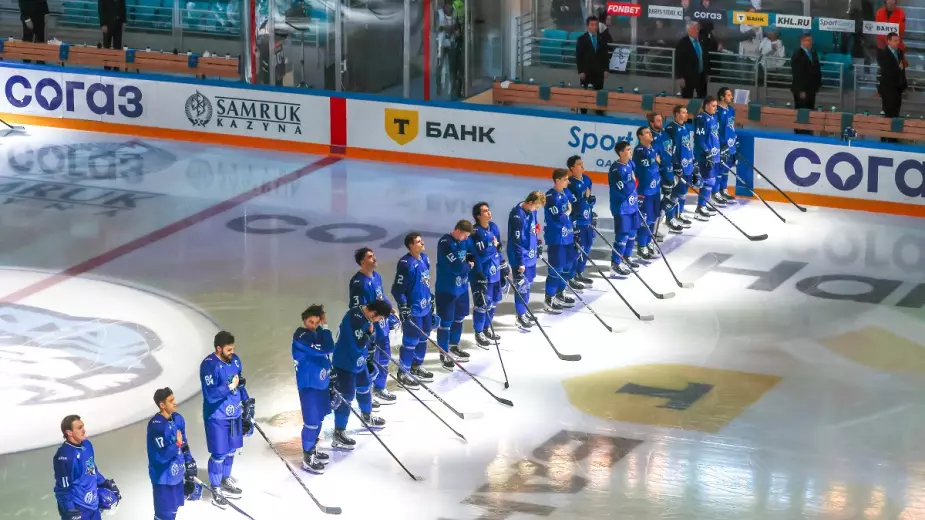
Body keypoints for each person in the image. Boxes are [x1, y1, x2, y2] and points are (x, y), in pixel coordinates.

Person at [200, 330, 252, 507]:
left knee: (231, 451)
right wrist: (230, 385)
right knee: (219, 454)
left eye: (233, 349)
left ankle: (225, 479)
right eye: (229, 350)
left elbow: (240, 384)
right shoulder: (209, 366)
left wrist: (247, 403)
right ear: (218, 348)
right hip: (217, 416)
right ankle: (215, 488)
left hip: (234, 414)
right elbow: (211, 395)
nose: (232, 353)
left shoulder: (235, 360)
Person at [331, 300, 392, 449]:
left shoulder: (366, 317)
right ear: (373, 313)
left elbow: (367, 340)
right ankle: (339, 432)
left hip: (359, 361)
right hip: (345, 363)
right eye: (380, 318)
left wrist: (369, 353)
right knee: (346, 397)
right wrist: (369, 335)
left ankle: (367, 416)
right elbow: (357, 343)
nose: (379, 321)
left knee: (365, 385)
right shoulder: (353, 318)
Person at [349, 247, 400, 406]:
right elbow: (357, 307)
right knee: (370, 361)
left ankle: (380, 388)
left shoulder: (377, 276)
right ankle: (367, 393)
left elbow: (381, 296)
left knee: (384, 359)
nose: (375, 259)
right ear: (362, 261)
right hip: (370, 329)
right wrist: (367, 325)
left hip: (382, 326)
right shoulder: (358, 283)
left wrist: (390, 307)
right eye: (371, 257)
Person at [292, 304, 335, 473]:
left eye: (317, 322)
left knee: (319, 418)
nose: (313, 325)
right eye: (310, 322)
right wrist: (324, 331)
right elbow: (328, 347)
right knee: (311, 422)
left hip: (321, 383)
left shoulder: (318, 333)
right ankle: (307, 456)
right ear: (304, 320)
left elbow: (327, 351)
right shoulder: (300, 335)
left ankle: (313, 448)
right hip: (309, 385)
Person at [147, 388, 201, 519]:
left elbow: (184, 444)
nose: (175, 402)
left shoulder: (178, 419)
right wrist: (176, 445)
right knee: (164, 516)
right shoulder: (157, 426)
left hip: (176, 475)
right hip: (163, 479)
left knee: (173, 511)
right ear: (162, 405)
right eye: (171, 401)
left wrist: (189, 461)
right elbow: (160, 457)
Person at [53, 415, 121, 520]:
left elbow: (91, 470)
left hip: (93, 506)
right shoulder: (65, 457)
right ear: (69, 433)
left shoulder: (87, 445)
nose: (84, 431)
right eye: (79, 428)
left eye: (83, 426)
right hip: (79, 510)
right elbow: (62, 489)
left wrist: (105, 483)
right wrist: (70, 510)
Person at [391, 232, 436, 387]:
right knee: (411, 341)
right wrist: (403, 306)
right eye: (418, 241)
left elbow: (425, 282)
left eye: (421, 240)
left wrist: (430, 297)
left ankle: (416, 367)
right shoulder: (406, 264)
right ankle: (403, 372)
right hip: (413, 310)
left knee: (424, 337)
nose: (422, 243)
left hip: (425, 307)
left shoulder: (425, 259)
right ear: (411, 245)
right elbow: (397, 289)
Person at [435, 220, 474, 370]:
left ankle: (453, 346)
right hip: (447, 289)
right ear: (457, 230)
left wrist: (470, 260)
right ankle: (443, 353)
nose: (465, 238)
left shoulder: (465, 240)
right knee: (445, 322)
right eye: (464, 235)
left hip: (462, 287)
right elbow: (457, 267)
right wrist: (469, 266)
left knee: (459, 317)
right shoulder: (445, 243)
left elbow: (472, 253)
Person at [470, 203, 507, 348]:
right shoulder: (475, 232)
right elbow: (481, 254)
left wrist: (502, 264)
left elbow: (498, 249)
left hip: (495, 271)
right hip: (482, 274)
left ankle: (486, 328)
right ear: (478, 216)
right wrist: (494, 247)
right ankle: (478, 333)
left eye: (488, 210)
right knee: (481, 305)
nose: (489, 213)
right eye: (485, 211)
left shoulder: (494, 227)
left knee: (493, 303)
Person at [508, 192, 545, 330]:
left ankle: (524, 311)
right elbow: (516, 242)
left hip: (530, 253)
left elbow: (534, 229)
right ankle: (520, 315)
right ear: (530, 203)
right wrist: (520, 261)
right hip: (520, 256)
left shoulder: (531, 212)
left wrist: (538, 244)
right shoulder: (517, 215)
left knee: (528, 283)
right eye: (536, 206)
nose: (536, 209)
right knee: (522, 286)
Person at [544, 168, 577, 313]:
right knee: (555, 269)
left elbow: (567, 217)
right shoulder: (551, 197)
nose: (568, 182)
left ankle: (560, 293)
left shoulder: (564, 194)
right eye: (565, 179)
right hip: (556, 238)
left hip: (568, 236)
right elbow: (560, 218)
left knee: (568, 266)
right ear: (557, 180)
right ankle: (549, 298)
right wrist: (568, 212)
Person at [608, 141, 639, 277]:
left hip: (632, 205)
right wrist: (633, 182)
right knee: (622, 235)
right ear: (621, 153)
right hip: (621, 208)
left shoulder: (630, 163)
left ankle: (626, 257)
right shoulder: (616, 170)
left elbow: (634, 181)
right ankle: (615, 263)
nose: (630, 151)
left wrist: (633, 183)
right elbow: (625, 189)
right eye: (627, 149)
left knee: (632, 232)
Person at [633, 126, 663, 261]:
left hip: (655, 189)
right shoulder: (639, 150)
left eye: (650, 132)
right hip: (645, 191)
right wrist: (655, 160)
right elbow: (651, 165)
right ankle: (641, 245)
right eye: (646, 133)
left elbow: (657, 164)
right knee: (646, 219)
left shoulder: (653, 148)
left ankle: (649, 241)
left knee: (654, 217)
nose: (650, 134)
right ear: (640, 137)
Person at [664, 105, 695, 234]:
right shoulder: (672, 128)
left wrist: (693, 162)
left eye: (686, 112)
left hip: (687, 164)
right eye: (683, 112)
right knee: (675, 193)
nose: (686, 115)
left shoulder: (685, 127)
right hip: (678, 167)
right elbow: (671, 149)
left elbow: (687, 146)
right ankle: (670, 218)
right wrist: (676, 165)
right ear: (676, 114)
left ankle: (679, 214)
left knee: (683, 191)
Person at [565, 156, 595, 287]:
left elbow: (589, 201)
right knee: (577, 250)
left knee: (587, 247)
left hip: (587, 219)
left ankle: (579, 272)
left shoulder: (587, 180)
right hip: (577, 221)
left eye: (582, 163)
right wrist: (584, 198)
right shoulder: (570, 184)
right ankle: (570, 276)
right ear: (572, 168)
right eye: (579, 164)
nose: (582, 166)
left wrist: (590, 201)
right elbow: (572, 205)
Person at [693, 96, 721, 221]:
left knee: (712, 181)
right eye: (714, 106)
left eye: (716, 106)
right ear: (706, 105)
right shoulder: (701, 118)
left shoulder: (714, 117)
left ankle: (704, 204)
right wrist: (707, 152)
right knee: (708, 181)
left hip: (713, 154)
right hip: (704, 155)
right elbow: (700, 138)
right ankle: (700, 208)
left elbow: (714, 136)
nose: (716, 108)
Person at [575, 16, 610, 115]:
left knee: (599, 94)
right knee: (585, 95)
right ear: (587, 26)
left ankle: (599, 113)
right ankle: (584, 114)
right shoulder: (581, 39)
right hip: (586, 72)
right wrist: (581, 71)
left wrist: (606, 69)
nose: (594, 27)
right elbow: (579, 56)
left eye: (595, 25)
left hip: (599, 73)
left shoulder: (601, 39)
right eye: (592, 25)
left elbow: (605, 56)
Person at [648, 112, 674, 241]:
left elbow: (670, 152)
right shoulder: (649, 138)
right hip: (656, 175)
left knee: (665, 202)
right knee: (654, 203)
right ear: (651, 123)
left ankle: (658, 228)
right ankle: (649, 231)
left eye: (661, 120)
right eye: (657, 121)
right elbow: (653, 158)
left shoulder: (665, 134)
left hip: (667, 172)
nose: (660, 122)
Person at [877, 32, 908, 142]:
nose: (897, 42)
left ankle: (893, 136)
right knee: (888, 111)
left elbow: (902, 69)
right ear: (888, 41)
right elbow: (887, 70)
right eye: (895, 40)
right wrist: (898, 68)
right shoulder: (882, 53)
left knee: (896, 112)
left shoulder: (899, 52)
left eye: (898, 40)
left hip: (898, 87)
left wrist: (904, 84)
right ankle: (885, 136)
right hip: (887, 88)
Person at [790, 33, 821, 135]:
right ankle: (799, 130)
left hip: (811, 88)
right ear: (802, 41)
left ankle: (808, 129)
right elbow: (797, 74)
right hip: (801, 89)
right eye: (807, 40)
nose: (809, 43)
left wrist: (817, 85)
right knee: (801, 109)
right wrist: (801, 90)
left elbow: (816, 69)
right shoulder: (797, 54)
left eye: (810, 40)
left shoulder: (813, 52)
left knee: (810, 109)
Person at [714, 87, 738, 204]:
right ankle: (716, 192)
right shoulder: (717, 111)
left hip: (731, 144)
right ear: (722, 97)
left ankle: (723, 189)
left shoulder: (731, 110)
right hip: (721, 145)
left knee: (726, 169)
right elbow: (715, 130)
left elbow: (731, 126)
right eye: (729, 95)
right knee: (719, 169)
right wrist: (720, 143)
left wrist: (734, 139)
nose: (731, 97)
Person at [675, 21, 708, 99]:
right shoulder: (682, 43)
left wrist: (707, 72)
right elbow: (678, 61)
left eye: (698, 28)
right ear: (688, 30)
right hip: (688, 78)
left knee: (702, 98)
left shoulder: (702, 40)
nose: (697, 30)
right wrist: (680, 77)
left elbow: (706, 58)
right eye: (695, 29)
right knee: (687, 99)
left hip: (701, 76)